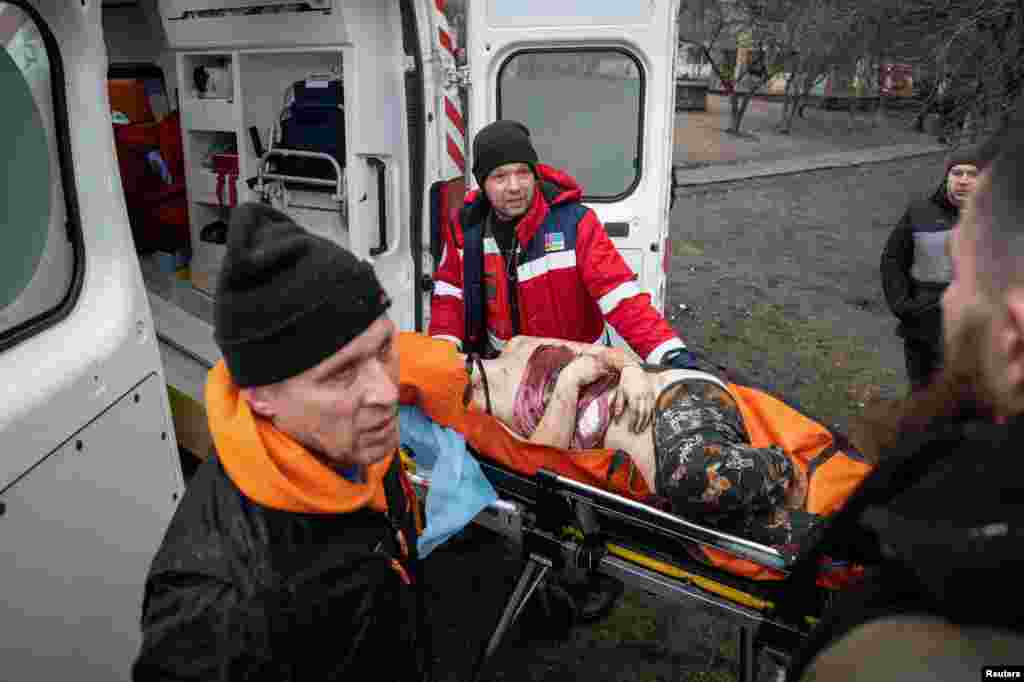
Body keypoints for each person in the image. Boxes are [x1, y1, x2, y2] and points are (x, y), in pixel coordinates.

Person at [132, 203, 429, 681]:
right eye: (341, 374)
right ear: (261, 397)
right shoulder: (218, 612)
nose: (386, 393)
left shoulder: (354, 439)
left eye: (383, 349)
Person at [787, 118, 1024, 680]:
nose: (951, 302)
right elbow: (894, 261)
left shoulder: (908, 647)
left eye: (964, 280)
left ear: (1014, 329)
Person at [452, 335, 815, 553]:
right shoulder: (482, 419)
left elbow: (604, 354)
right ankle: (815, 532)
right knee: (714, 516)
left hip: (671, 400)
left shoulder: (518, 346)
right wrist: (568, 384)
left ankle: (780, 469)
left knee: (692, 475)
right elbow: (543, 461)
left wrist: (630, 371)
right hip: (668, 469)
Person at [429, 120, 698, 407]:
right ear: (483, 182)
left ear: (535, 172)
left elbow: (622, 298)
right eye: (499, 176)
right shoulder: (466, 230)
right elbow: (449, 295)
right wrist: (444, 355)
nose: (514, 186)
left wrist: (672, 357)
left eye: (523, 172)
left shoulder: (576, 224)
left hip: (583, 376)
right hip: (507, 375)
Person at [881, 146, 980, 390]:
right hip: (922, 328)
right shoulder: (921, 212)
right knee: (922, 398)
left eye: (972, 174)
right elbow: (893, 259)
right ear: (947, 177)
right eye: (957, 173)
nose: (964, 181)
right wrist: (902, 305)